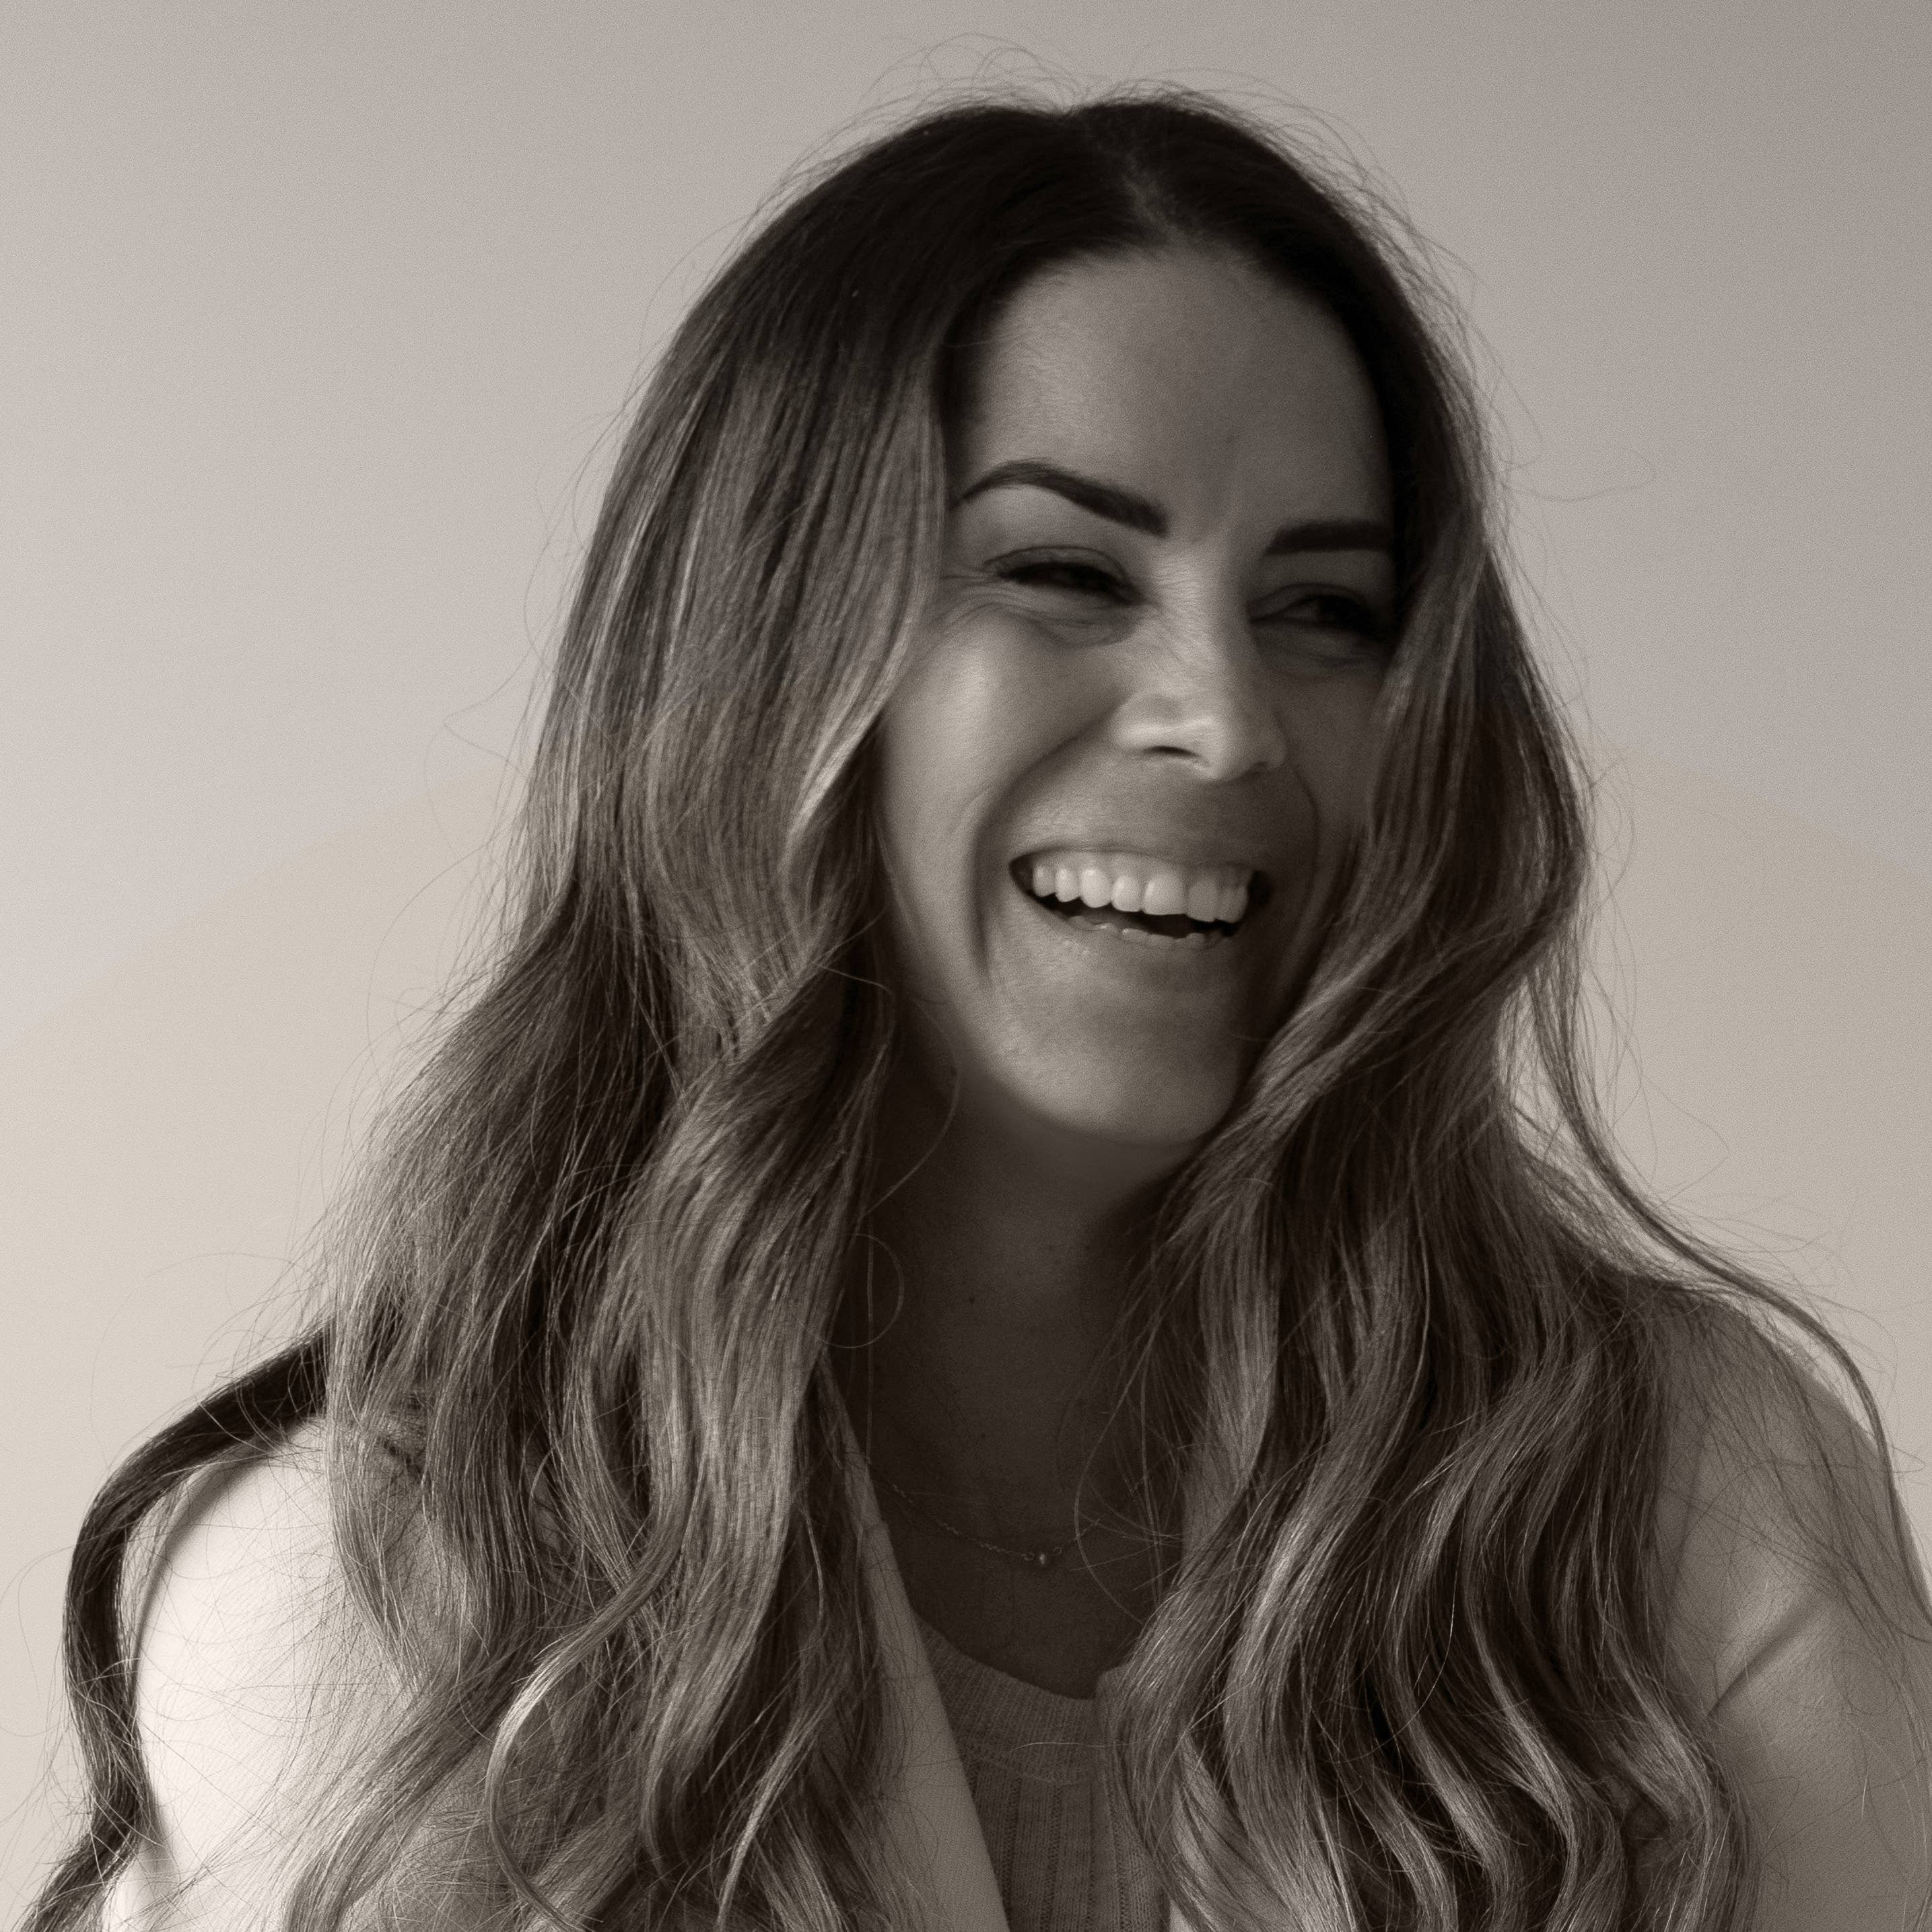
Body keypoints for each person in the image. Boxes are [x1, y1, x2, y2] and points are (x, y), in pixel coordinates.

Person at [29, 88, 1932, 1932]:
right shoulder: (377, 1601)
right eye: (1064, 573)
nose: (1227, 718)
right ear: (764, 673)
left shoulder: (1685, 1505)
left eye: (1328, 610)